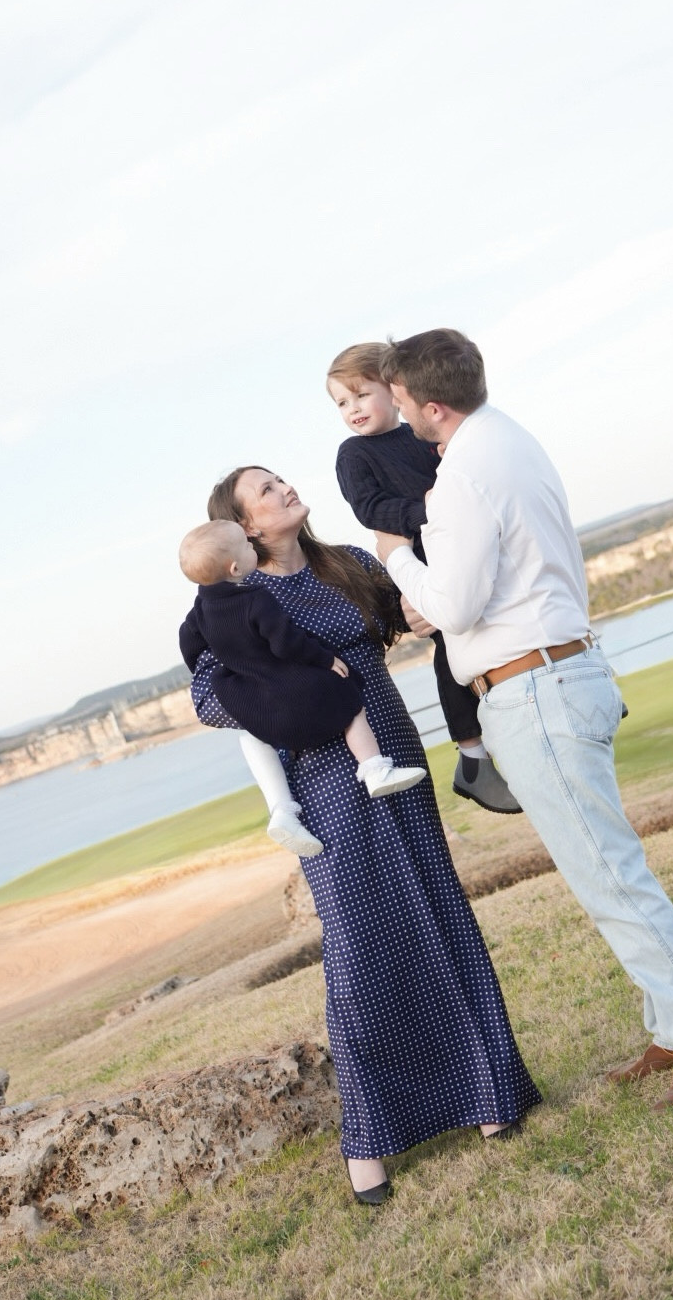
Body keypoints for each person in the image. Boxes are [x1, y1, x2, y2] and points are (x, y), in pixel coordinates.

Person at [373, 328, 673, 1112]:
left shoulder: (462, 475)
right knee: (604, 870)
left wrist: (397, 560)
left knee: (609, 874)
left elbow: (456, 607)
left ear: (432, 406)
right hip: (558, 672)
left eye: (401, 400)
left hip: (534, 690)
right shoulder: (507, 439)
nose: (397, 414)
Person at [186, 466, 542, 1204]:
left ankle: (488, 1095)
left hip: (394, 750)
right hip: (321, 774)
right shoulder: (235, 595)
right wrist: (289, 694)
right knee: (359, 947)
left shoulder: (346, 562)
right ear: (243, 527)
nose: (284, 488)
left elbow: (410, 616)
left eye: (281, 479)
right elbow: (207, 698)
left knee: (438, 913)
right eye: (266, 490)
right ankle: (369, 1143)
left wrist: (421, 614)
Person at [326, 342, 521, 815]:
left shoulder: (424, 437)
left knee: (505, 616)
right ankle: (472, 755)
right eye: (342, 402)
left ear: (395, 392)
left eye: (361, 395)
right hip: (417, 559)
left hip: (460, 546)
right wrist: (427, 509)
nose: (353, 409)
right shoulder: (354, 454)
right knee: (449, 645)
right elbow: (370, 510)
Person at [178, 519, 427, 857]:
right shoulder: (256, 598)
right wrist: (325, 659)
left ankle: (281, 809)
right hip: (288, 685)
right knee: (349, 700)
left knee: (253, 736)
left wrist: (208, 661)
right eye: (246, 546)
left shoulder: (200, 611)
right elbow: (285, 642)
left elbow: (188, 642)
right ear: (235, 568)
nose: (252, 548)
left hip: (253, 695)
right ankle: (373, 768)